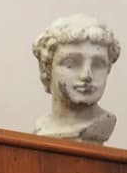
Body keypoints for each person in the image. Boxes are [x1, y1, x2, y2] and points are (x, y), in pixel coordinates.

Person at [32, 14, 120, 143]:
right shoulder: (42, 126)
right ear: (47, 69)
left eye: (98, 64)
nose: (86, 75)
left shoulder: (103, 123)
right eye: (71, 63)